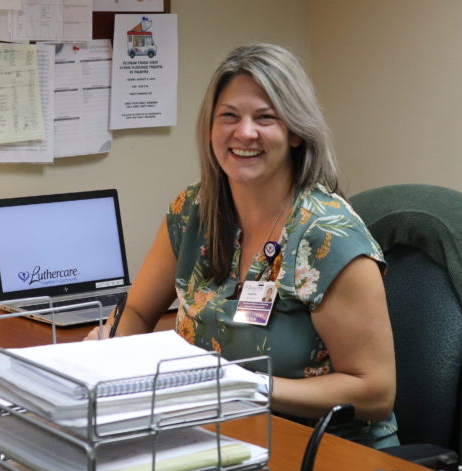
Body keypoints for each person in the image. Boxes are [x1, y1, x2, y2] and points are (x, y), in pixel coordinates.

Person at [89, 43, 398, 448]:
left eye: (265, 118)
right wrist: (100, 353)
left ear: (295, 133)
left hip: (324, 455)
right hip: (221, 435)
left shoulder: (328, 236)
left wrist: (244, 386)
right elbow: (136, 310)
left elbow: (375, 391)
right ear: (210, 129)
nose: (244, 132)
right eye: (229, 116)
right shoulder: (193, 211)